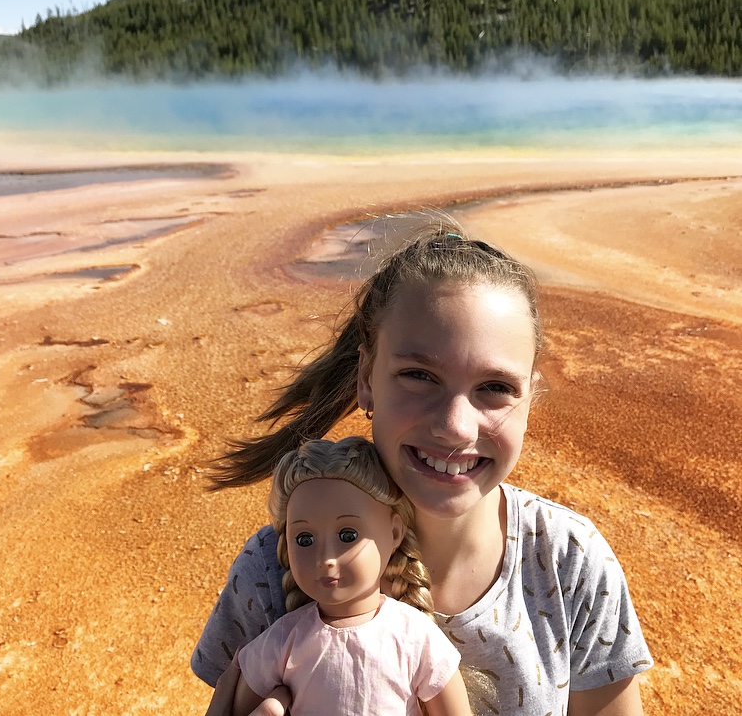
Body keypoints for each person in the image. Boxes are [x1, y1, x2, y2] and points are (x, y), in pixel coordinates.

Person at [193, 219, 653, 715]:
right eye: (419, 375)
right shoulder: (273, 566)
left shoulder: (568, 560)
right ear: (366, 378)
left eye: (495, 387)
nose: (455, 427)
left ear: (529, 398)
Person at [205, 436, 475, 716]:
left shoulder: (415, 637)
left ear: (394, 532)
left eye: (348, 536)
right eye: (305, 539)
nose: (325, 559)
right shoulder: (282, 641)